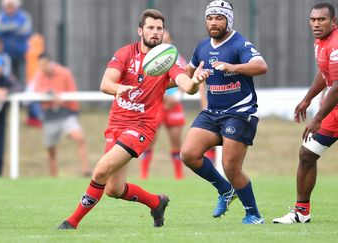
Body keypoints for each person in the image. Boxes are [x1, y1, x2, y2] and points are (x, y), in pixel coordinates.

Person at [57, 9, 209, 230]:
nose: (155, 32)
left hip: (141, 128)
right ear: (141, 31)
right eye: (151, 28)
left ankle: (72, 222)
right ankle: (156, 202)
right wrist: (119, 88)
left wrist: (195, 81)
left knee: (100, 170)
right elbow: (105, 84)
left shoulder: (167, 61)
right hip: (116, 125)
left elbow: (187, 86)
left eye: (159, 28)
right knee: (113, 189)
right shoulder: (125, 53)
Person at [181, 0, 268, 224]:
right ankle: (225, 190)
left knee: (230, 166)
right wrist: (191, 79)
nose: (213, 22)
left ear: (228, 20)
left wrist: (233, 67)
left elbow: (261, 66)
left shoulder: (239, 44)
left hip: (240, 112)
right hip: (212, 112)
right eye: (210, 18)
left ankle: (253, 214)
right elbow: (186, 76)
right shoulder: (202, 47)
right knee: (188, 154)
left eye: (219, 18)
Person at [273, 2, 338, 224]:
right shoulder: (321, 42)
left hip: (332, 106)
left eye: (322, 20)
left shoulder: (337, 43)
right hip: (335, 110)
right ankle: (301, 212)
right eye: (313, 20)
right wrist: (307, 99)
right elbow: (324, 74)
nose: (317, 24)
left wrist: (317, 117)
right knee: (307, 154)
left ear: (333, 22)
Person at [30, 53, 91, 177]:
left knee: (79, 137)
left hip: (66, 114)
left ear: (50, 63)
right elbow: (35, 91)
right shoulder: (39, 75)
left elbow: (72, 93)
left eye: (44, 64)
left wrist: (73, 111)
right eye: (40, 65)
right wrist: (50, 94)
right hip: (49, 116)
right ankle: (54, 177)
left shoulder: (64, 73)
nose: (43, 68)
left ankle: (86, 170)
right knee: (51, 149)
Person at [140, 30, 186, 180]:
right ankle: (144, 176)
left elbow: (185, 78)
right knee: (150, 140)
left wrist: (177, 97)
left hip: (174, 105)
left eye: (167, 40)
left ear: (172, 42)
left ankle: (179, 177)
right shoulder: (150, 59)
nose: (164, 43)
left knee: (176, 141)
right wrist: (164, 96)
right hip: (156, 103)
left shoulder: (179, 59)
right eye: (162, 40)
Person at [0, 0, 32, 86]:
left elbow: (26, 31)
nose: (9, 9)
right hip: (4, 53)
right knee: (6, 74)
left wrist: (6, 29)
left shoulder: (24, 16)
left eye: (11, 6)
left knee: (21, 75)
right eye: (7, 6)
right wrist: (15, 27)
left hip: (20, 52)